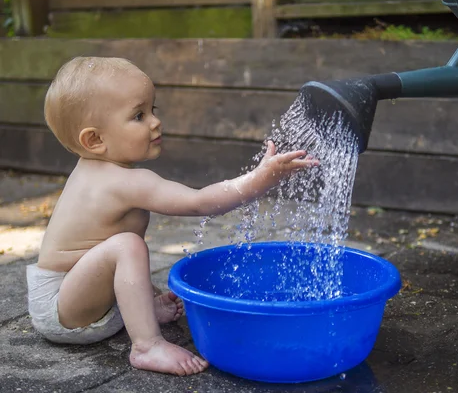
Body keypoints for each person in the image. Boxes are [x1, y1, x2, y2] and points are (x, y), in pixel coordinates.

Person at [26, 56, 319, 376]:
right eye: (138, 115)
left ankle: (142, 309)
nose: (154, 122)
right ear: (95, 140)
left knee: (121, 247)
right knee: (126, 245)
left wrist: (148, 296)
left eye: (154, 110)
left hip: (77, 295)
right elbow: (199, 203)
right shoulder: (123, 182)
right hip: (61, 307)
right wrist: (261, 178)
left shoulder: (97, 172)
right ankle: (147, 346)